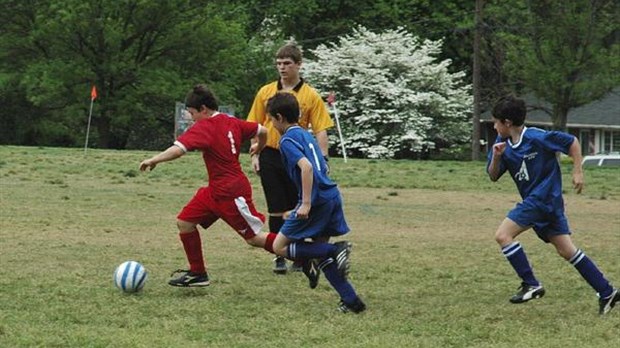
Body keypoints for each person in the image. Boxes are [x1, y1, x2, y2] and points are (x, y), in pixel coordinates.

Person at [486, 95, 619, 315]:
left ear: (507, 122)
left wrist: (577, 171)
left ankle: (531, 284)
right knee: (567, 250)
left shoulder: (537, 137)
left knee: (503, 235)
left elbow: (572, 143)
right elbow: (492, 176)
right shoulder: (502, 146)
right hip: (545, 205)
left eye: (496, 121)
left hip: (542, 200)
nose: (494, 125)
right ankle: (607, 292)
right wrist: (497, 158)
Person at [139, 84, 271, 287]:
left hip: (231, 191)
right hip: (214, 191)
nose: (192, 118)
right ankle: (198, 273)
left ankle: (309, 252)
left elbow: (178, 150)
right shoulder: (231, 121)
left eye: (192, 113)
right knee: (185, 222)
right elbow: (262, 130)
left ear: (203, 109)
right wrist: (258, 147)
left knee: (254, 239)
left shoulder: (205, 126)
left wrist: (154, 159)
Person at [266, 92, 366, 313]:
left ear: (280, 117)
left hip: (317, 201)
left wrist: (306, 203)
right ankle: (351, 301)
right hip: (331, 196)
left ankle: (336, 248)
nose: (271, 124)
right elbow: (323, 165)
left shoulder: (287, 140)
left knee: (279, 246)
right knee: (319, 254)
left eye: (271, 119)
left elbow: (307, 168)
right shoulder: (306, 135)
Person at [247, 43, 335, 274]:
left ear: (298, 65)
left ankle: (299, 254)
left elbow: (321, 129)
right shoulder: (265, 92)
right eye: (279, 63)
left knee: (299, 206)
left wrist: (323, 160)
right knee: (276, 207)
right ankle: (278, 255)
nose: (282, 68)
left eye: (287, 63)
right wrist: (255, 153)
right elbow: (254, 126)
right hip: (270, 155)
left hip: (296, 157)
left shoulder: (310, 95)